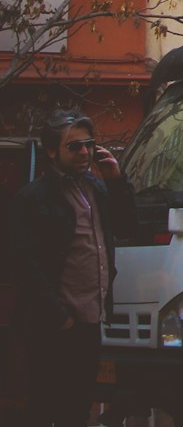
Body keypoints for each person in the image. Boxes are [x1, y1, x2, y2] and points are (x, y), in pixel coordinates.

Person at [7, 110, 135, 427]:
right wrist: (59, 315)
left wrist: (116, 180)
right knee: (45, 407)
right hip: (55, 323)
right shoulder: (34, 198)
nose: (84, 153)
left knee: (77, 409)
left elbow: (127, 226)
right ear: (52, 151)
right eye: (74, 147)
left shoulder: (95, 188)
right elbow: (24, 263)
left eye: (88, 145)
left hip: (91, 318)